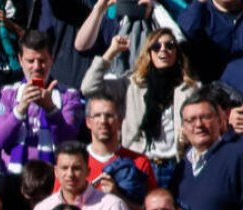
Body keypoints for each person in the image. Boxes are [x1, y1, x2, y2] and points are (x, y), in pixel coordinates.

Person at [81, 28, 196, 188]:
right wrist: (111, 53)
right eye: (156, 46)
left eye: (169, 46)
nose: (163, 50)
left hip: (175, 164)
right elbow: (89, 88)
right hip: (139, 162)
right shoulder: (132, 84)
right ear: (148, 53)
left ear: (176, 52)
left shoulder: (189, 89)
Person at [0, 30, 85, 174]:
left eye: (42, 61)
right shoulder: (7, 93)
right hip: (14, 177)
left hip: (53, 178)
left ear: (51, 60)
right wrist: (20, 109)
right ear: (20, 59)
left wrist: (51, 110)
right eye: (30, 61)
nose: (36, 67)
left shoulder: (69, 95)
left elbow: (68, 142)